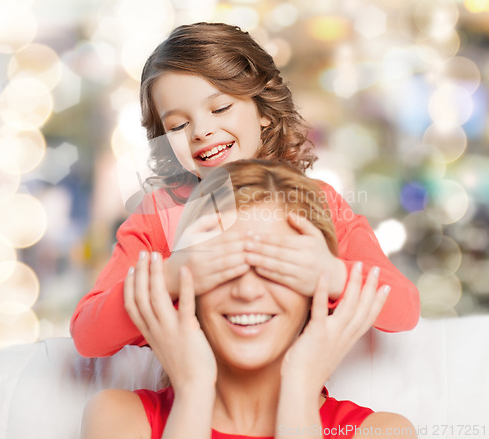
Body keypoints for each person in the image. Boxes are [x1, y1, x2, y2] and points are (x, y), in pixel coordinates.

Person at [70, 22, 420, 358]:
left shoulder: (316, 201)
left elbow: (404, 310)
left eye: (220, 108)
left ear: (263, 110)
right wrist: (171, 277)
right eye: (178, 125)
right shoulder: (156, 218)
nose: (201, 131)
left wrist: (330, 274)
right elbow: (88, 336)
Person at [80, 160, 417, 439]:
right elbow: (88, 329)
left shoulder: (382, 432)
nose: (247, 291)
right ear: (188, 290)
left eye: (275, 267)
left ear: (318, 291)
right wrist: (193, 390)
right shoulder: (119, 419)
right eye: (225, 266)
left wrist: (300, 388)